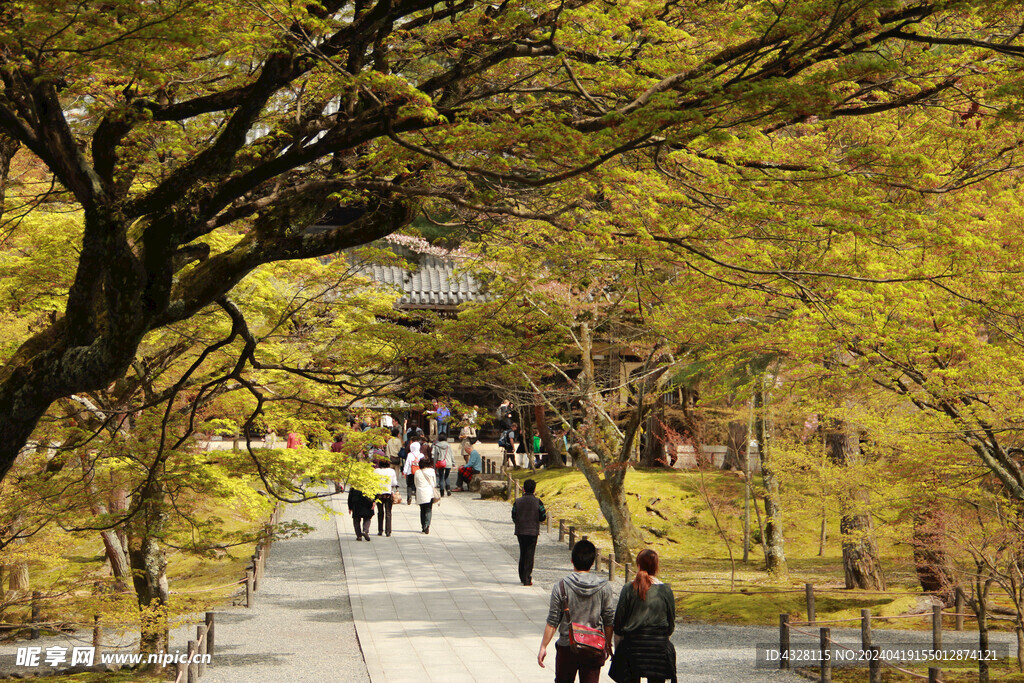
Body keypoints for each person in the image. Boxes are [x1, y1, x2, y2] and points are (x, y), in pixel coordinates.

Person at [538, 540, 616, 682]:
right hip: (593, 647)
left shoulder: (561, 586)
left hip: (567, 646)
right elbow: (609, 620)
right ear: (592, 563)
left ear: (572, 560)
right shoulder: (604, 587)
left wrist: (544, 646)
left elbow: (553, 621)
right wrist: (608, 644)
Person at [608, 549, 676, 683]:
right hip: (658, 648)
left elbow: (619, 623)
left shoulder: (628, 588)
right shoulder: (665, 590)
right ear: (656, 567)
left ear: (638, 565)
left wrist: (617, 649)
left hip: (632, 647)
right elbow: (670, 624)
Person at [511, 478, 546, 585]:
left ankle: (522, 575)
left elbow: (514, 515)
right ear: (534, 489)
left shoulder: (517, 501)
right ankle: (527, 577)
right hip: (532, 530)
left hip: (521, 530)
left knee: (523, 552)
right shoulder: (538, 502)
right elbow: (543, 515)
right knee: (530, 554)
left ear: (523, 489)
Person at [373, 457, 398, 537]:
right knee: (388, 512)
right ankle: (388, 531)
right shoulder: (391, 471)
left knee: (380, 512)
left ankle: (380, 530)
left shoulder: (376, 471)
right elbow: (394, 483)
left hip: (378, 493)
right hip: (388, 493)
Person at [414, 454, 438, 534]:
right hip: (429, 492)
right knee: (428, 509)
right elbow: (434, 483)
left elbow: (415, 483)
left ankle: (423, 526)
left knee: (422, 510)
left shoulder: (417, 472)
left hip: (420, 492)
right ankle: (427, 525)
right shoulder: (431, 471)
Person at [403, 441, 422, 505]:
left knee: (409, 485)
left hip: (410, 472)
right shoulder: (421, 455)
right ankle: (417, 498)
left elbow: (407, 464)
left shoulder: (410, 454)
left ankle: (409, 497)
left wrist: (404, 472)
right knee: (418, 485)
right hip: (419, 472)